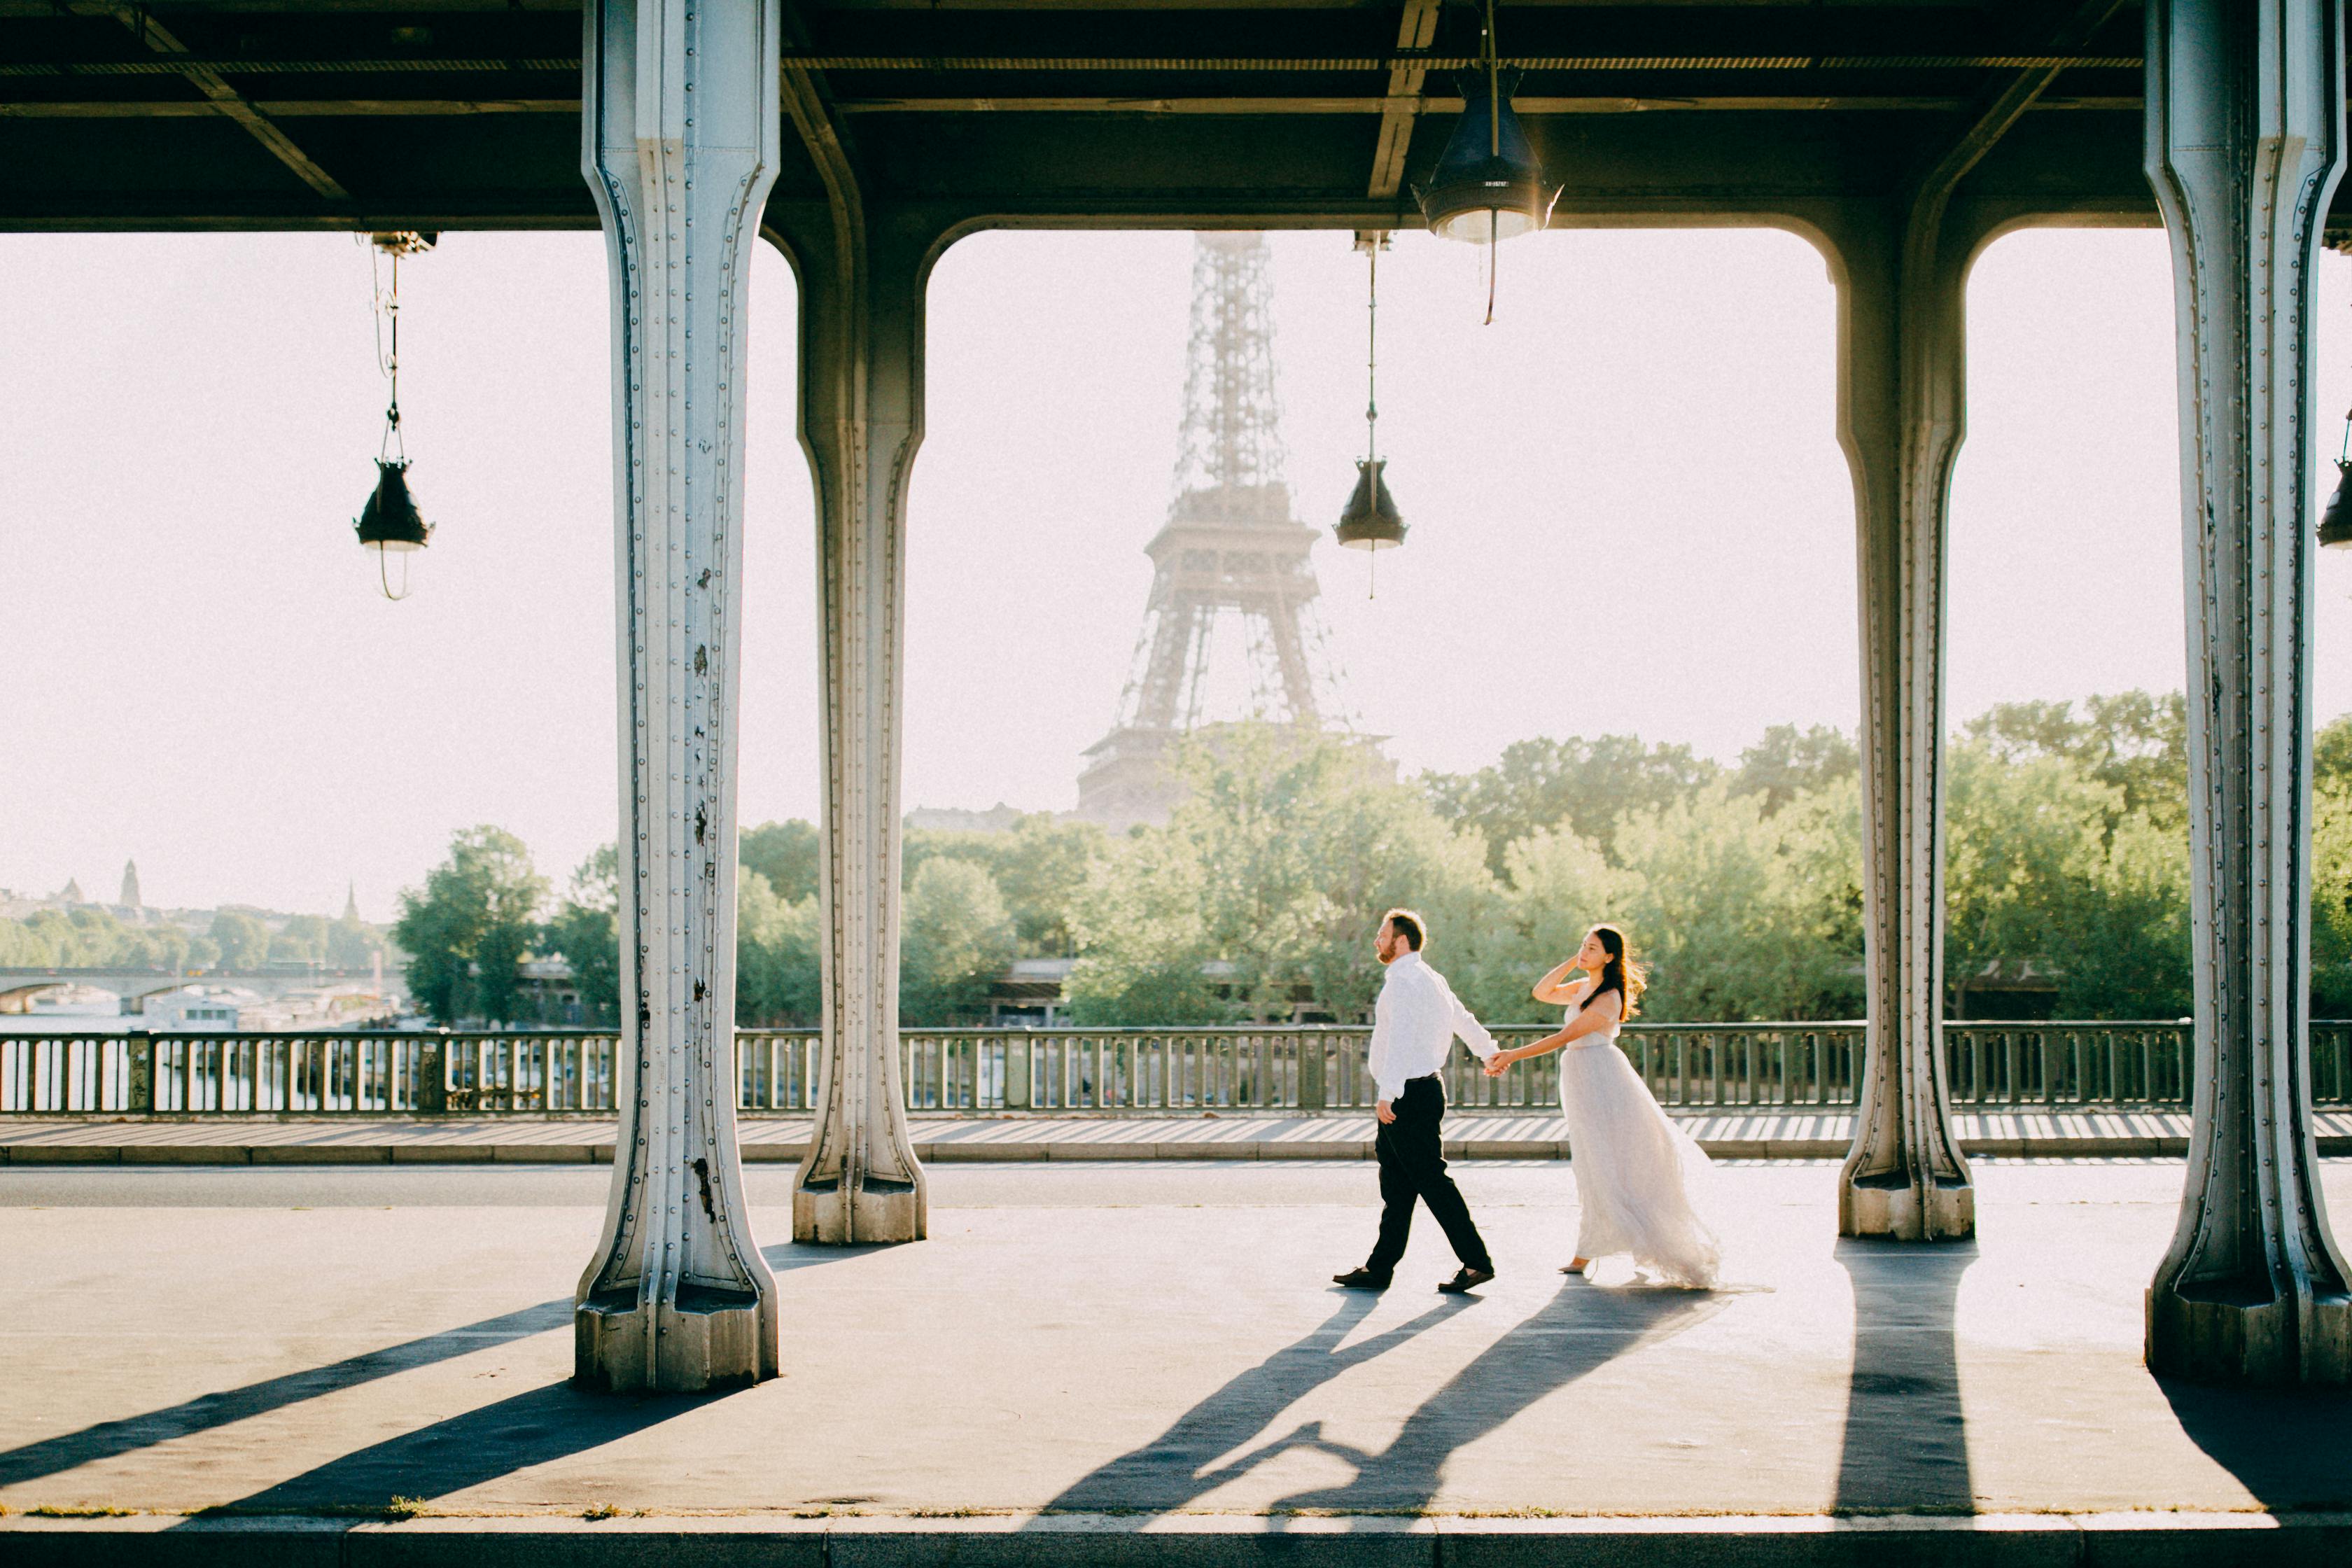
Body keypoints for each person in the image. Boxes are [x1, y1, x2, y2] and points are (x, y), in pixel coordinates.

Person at [1485, 923, 1721, 1287]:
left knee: (1603, 1161)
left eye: (1593, 948)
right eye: (1583, 945)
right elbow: (1542, 991)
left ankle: (1589, 1251)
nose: (1585, 951)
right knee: (1592, 1161)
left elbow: (1565, 1036)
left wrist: (1513, 1054)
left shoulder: (1608, 997)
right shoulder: (1583, 987)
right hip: (1581, 1073)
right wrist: (1575, 960)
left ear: (1610, 957)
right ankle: (1589, 1248)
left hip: (1601, 1077)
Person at [1332, 908, 1501, 1295]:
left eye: (1382, 933)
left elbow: (1402, 1041)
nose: (1377, 939)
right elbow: (1463, 1018)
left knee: (1431, 1182)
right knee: (1397, 1184)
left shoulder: (1404, 982)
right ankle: (1379, 1268)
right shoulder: (1431, 978)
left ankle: (1477, 1262)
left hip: (1407, 1094)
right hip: (1423, 1090)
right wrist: (1488, 1052)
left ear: (1401, 940)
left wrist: (1388, 1093)